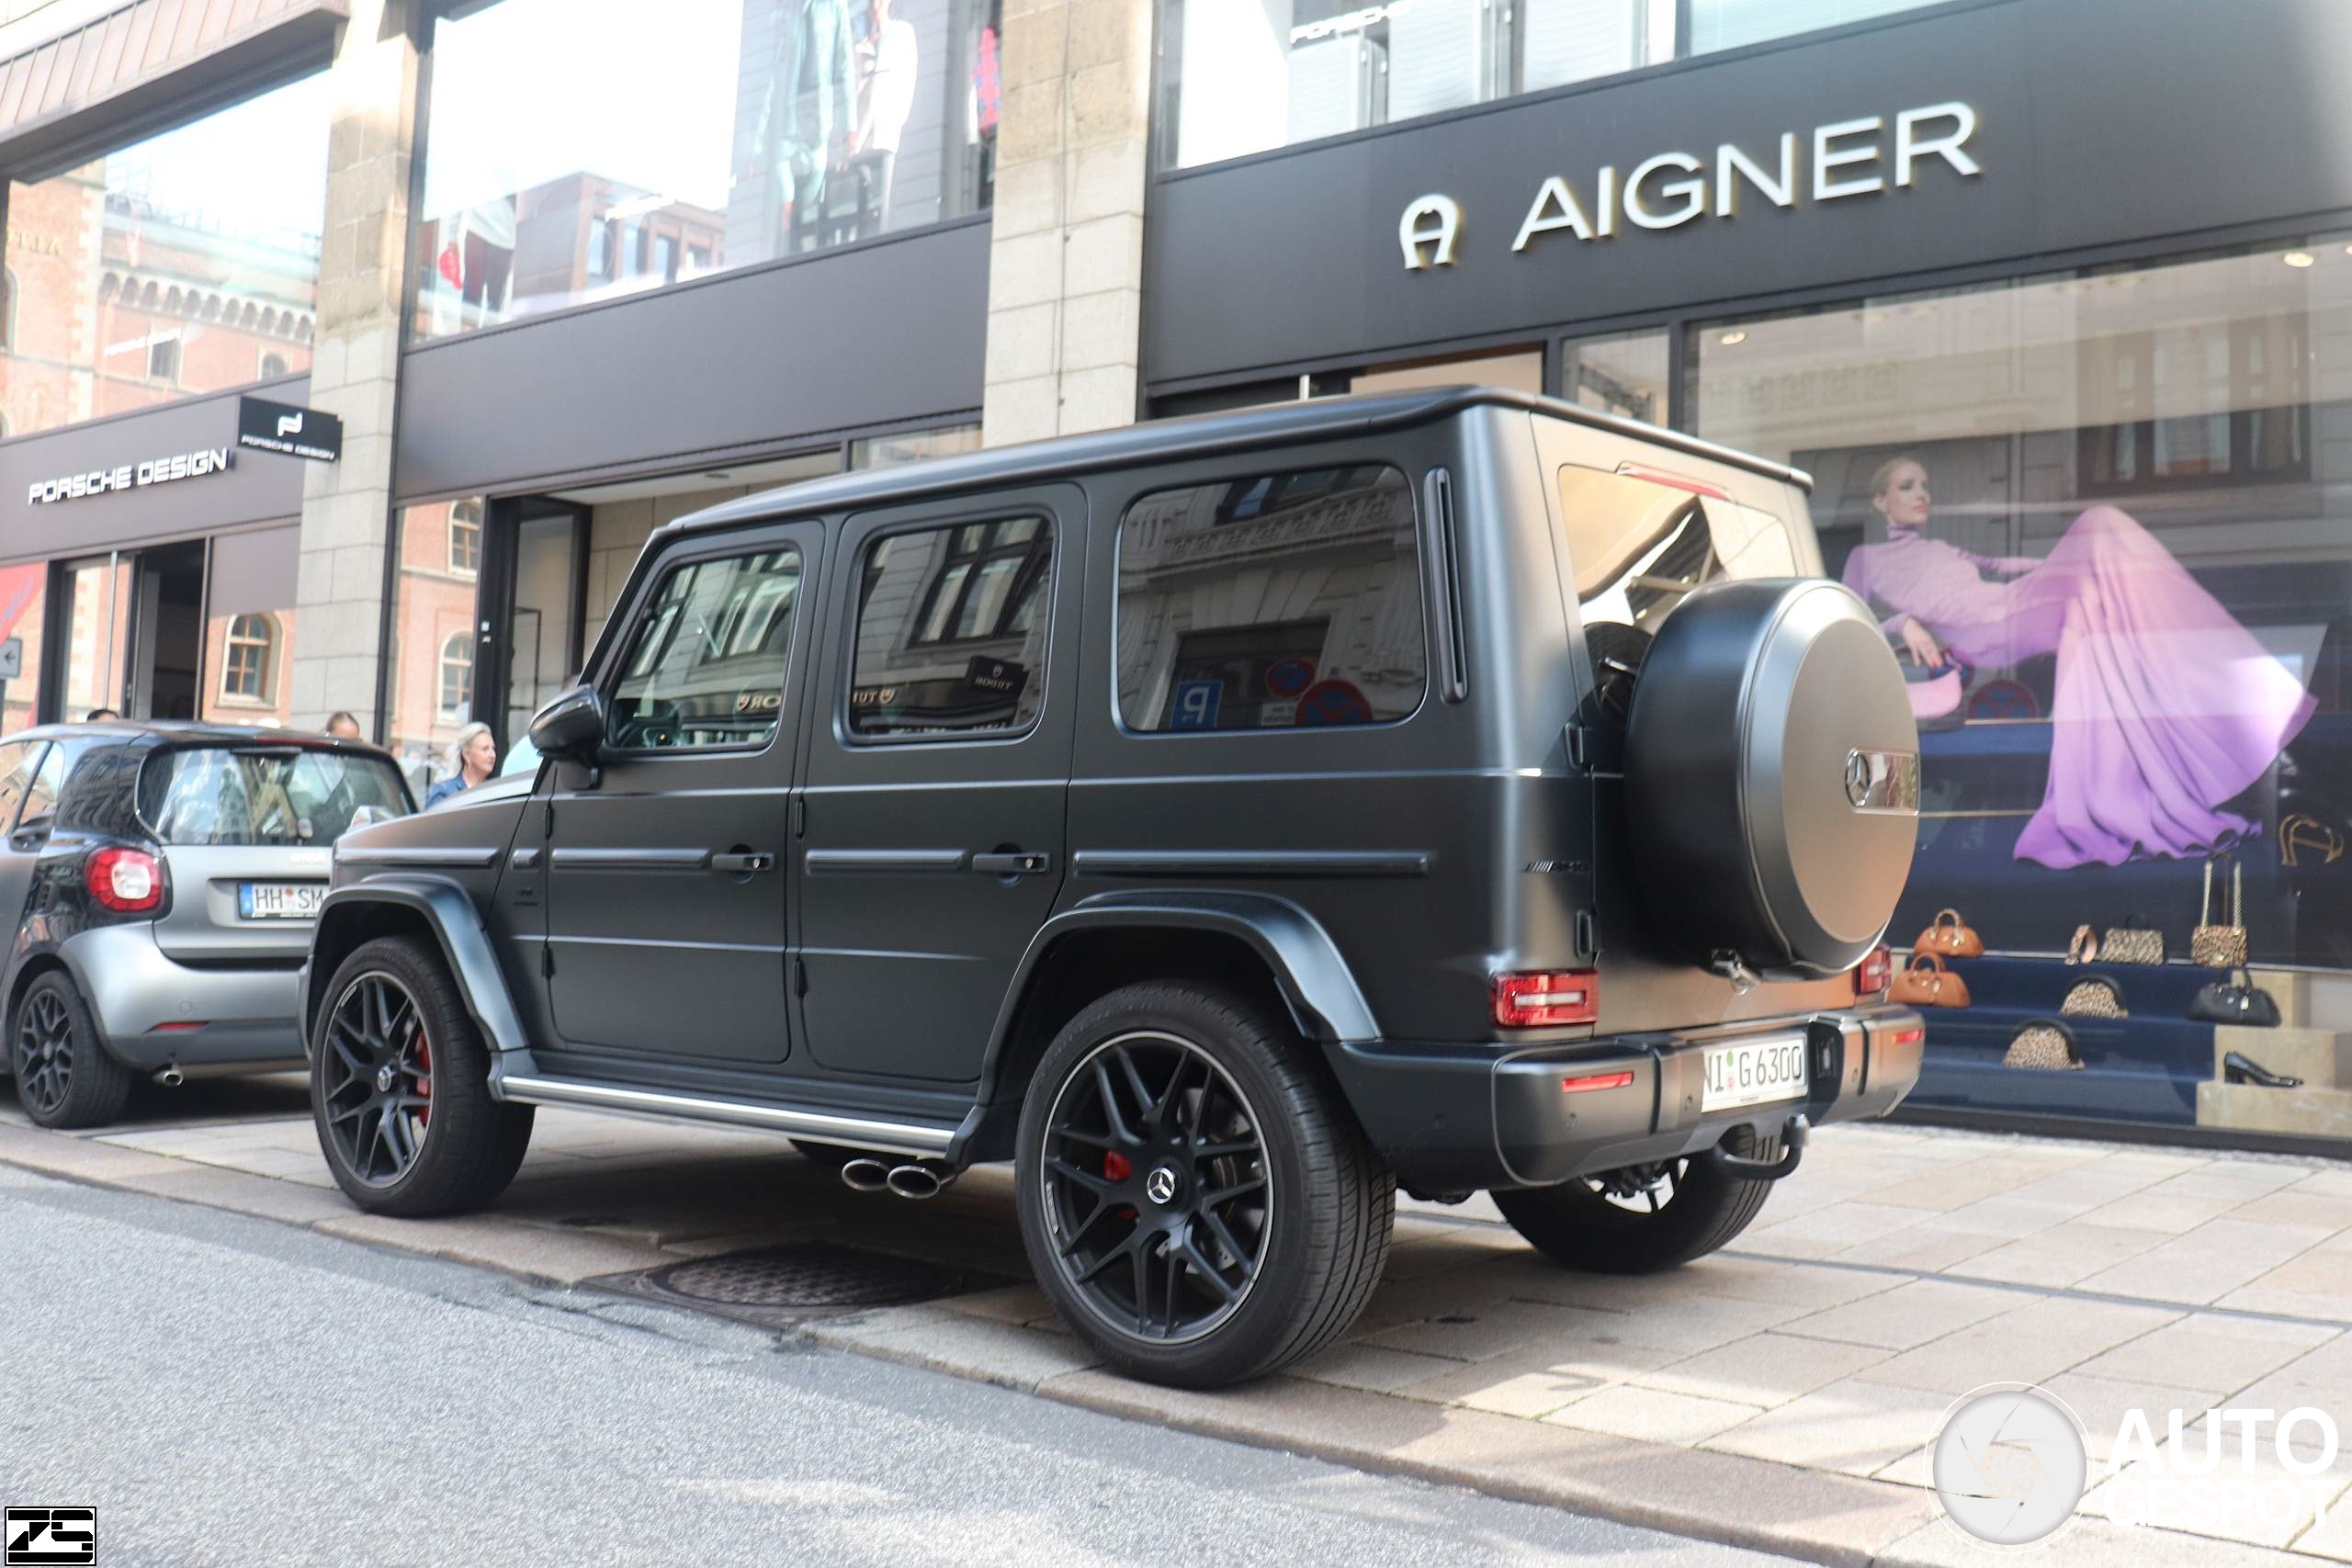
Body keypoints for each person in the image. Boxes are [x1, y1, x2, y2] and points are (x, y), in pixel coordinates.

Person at [1841, 457, 2315, 868]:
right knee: (2100, 519)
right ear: (1881, 502)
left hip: (2009, 604)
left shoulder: (1941, 548)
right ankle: (2252, 702)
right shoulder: (1866, 557)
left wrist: (2055, 566)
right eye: (1908, 487)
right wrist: (1904, 622)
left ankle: (2226, 713)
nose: (1922, 495)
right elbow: (1849, 614)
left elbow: (1997, 564)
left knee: (2103, 583)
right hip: (1989, 626)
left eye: (1924, 486)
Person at [425, 722, 497, 808]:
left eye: (493, 749)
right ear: (467, 755)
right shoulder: (444, 793)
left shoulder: (494, 792)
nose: (492, 755)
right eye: (485, 749)